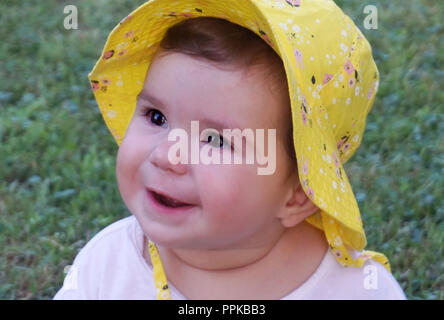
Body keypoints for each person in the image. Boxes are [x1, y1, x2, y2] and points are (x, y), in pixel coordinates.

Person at [54, 0, 406, 300]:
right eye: (156, 116)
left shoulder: (357, 290)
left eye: (216, 141)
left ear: (299, 193)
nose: (165, 156)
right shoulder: (108, 267)